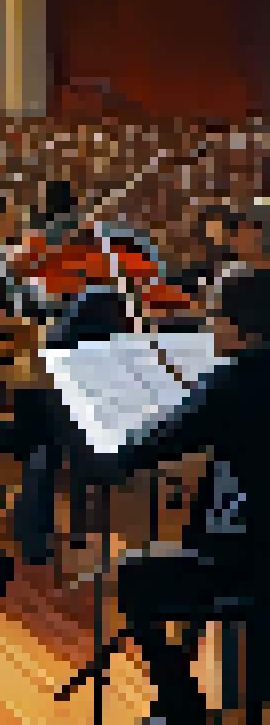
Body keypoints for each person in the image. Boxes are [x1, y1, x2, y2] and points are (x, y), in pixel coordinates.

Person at [97, 268, 270, 725]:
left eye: (215, 318)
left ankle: (183, 707)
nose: (211, 330)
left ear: (239, 326)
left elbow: (146, 449)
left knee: (135, 579)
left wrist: (100, 443)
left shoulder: (235, 382)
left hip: (247, 562)